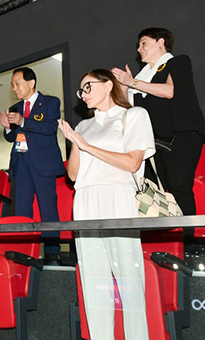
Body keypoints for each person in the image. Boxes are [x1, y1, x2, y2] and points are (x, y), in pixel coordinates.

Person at [59, 69, 155, 340]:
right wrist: (76, 143)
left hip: (118, 195)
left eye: (88, 86)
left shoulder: (133, 115)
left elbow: (132, 163)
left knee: (129, 279)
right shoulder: (83, 126)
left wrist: (86, 146)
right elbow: (73, 175)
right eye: (81, 90)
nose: (83, 94)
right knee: (94, 281)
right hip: (85, 199)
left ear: (108, 85)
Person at [112, 27, 205, 216]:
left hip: (182, 135)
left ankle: (189, 235)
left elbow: (169, 91)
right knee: (154, 192)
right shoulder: (142, 76)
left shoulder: (178, 62)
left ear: (161, 42)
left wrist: (133, 83)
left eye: (144, 43)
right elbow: (131, 108)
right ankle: (163, 235)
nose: (139, 49)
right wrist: (124, 88)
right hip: (155, 140)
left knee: (179, 187)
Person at [0, 67, 66, 264]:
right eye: (12, 85)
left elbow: (50, 127)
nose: (14, 88)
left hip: (43, 163)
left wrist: (23, 121)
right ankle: (23, 251)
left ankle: (52, 252)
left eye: (18, 84)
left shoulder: (50, 102)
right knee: (21, 209)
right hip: (21, 163)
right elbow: (12, 137)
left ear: (31, 82)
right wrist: (7, 127)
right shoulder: (15, 107)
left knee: (47, 208)